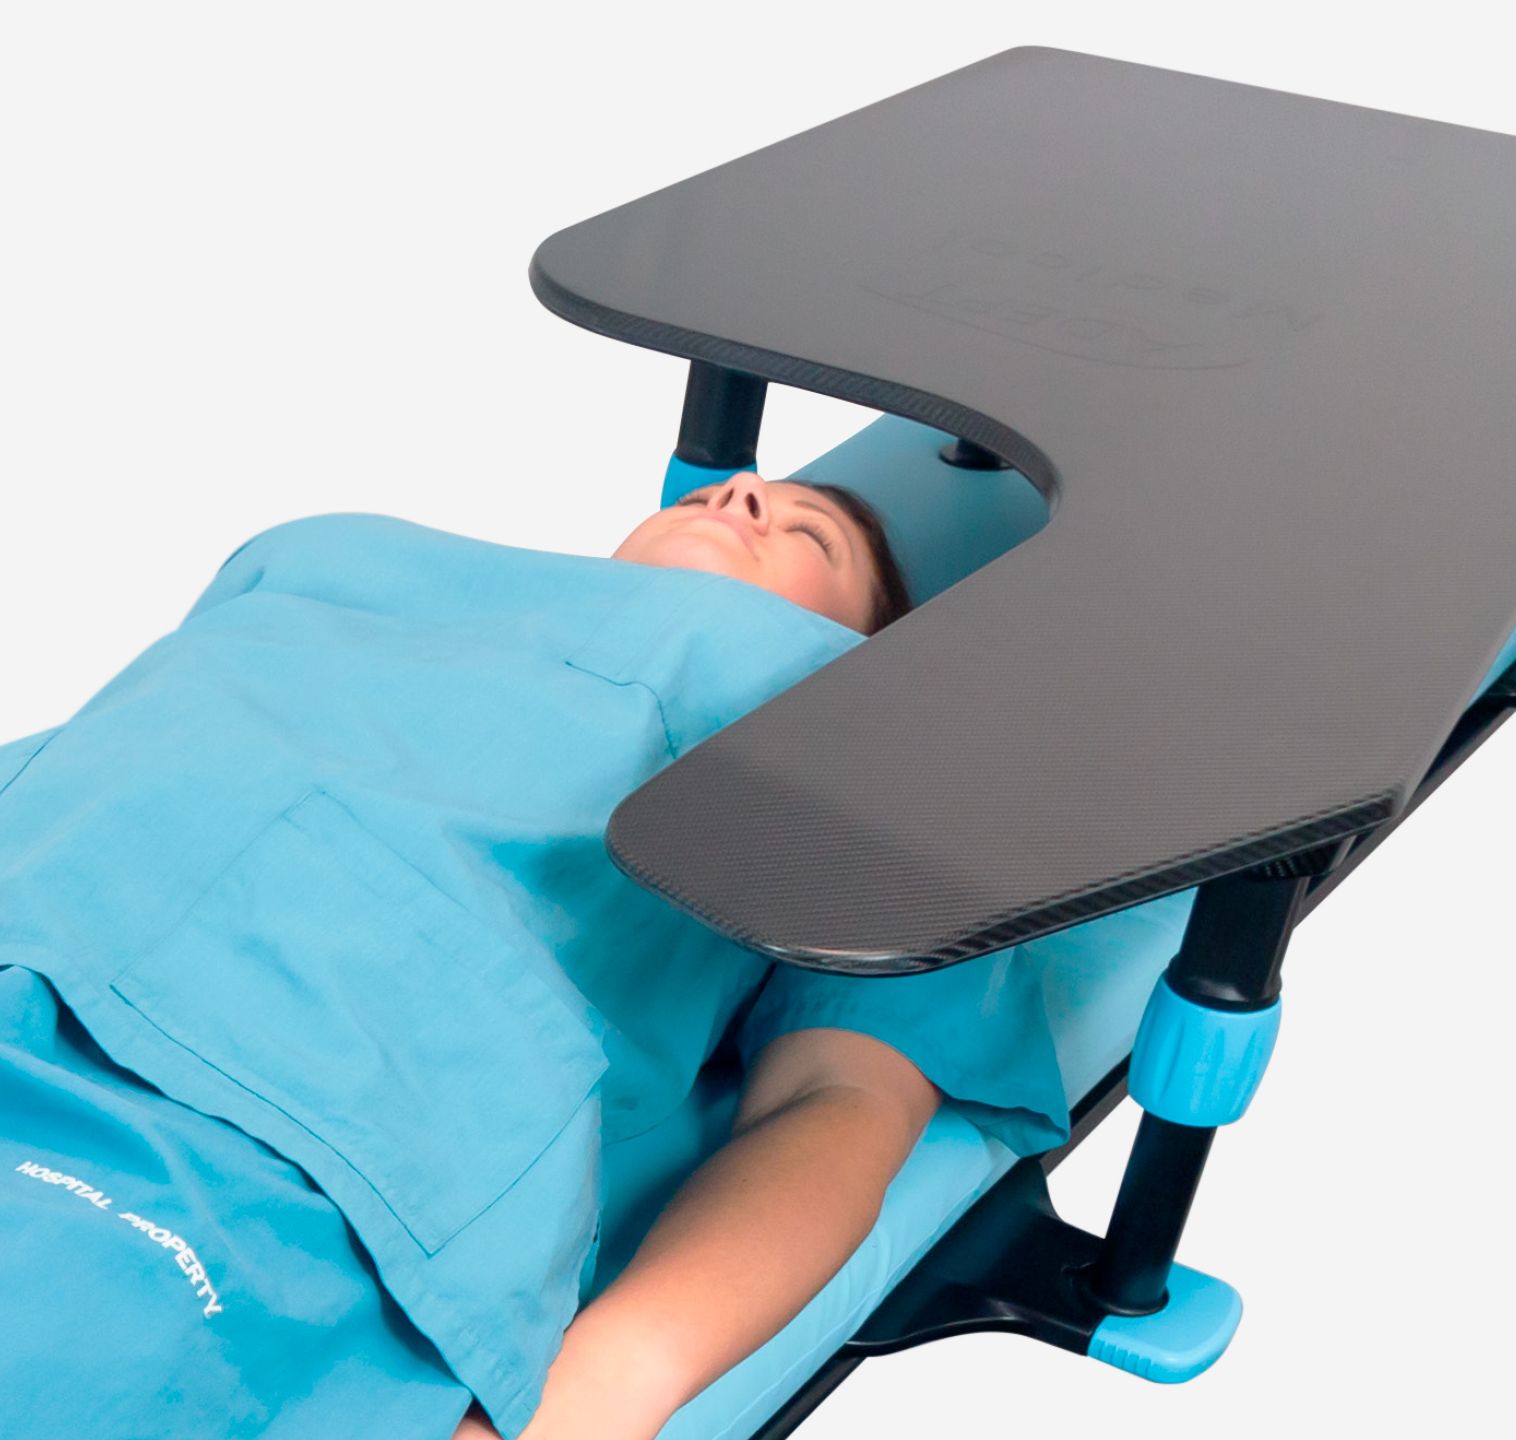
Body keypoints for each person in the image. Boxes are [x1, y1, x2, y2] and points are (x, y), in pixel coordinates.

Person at [0, 472, 1068, 1440]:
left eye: (812, 536)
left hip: (274, 1129)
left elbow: (841, 1105)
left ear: (862, 657)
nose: (745, 492)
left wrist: (606, 1388)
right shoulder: (332, 560)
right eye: (745, 488)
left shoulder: (869, 757)